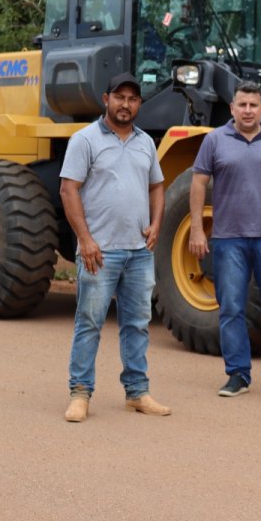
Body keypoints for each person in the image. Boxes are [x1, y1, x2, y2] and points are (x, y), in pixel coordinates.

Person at [60, 73, 169, 423]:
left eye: (133, 98)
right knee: (90, 322)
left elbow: (157, 186)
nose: (126, 104)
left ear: (139, 104)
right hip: (99, 252)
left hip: (139, 251)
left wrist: (156, 223)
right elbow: (68, 189)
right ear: (106, 99)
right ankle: (80, 393)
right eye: (119, 97)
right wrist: (85, 239)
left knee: (137, 323)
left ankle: (137, 393)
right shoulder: (85, 140)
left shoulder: (145, 143)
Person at [188, 81, 261, 400]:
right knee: (231, 309)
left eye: (254, 105)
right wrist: (197, 229)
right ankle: (238, 374)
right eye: (243, 105)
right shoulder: (214, 140)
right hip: (228, 239)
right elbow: (198, 184)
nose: (248, 111)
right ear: (232, 108)